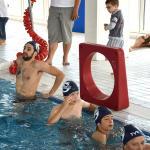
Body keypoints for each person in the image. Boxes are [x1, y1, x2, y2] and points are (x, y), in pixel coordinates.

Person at [46, 0, 81, 66]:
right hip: (53, 7)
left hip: (68, 8)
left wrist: (75, 10)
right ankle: (50, 58)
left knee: (66, 34)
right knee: (52, 34)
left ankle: (65, 57)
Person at [104, 0, 124, 75]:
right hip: (120, 37)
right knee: (115, 55)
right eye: (106, 7)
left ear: (115, 6)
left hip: (115, 38)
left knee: (110, 53)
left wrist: (106, 27)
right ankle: (117, 70)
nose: (107, 9)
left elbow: (112, 25)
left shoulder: (115, 15)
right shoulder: (119, 13)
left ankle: (116, 70)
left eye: (109, 7)